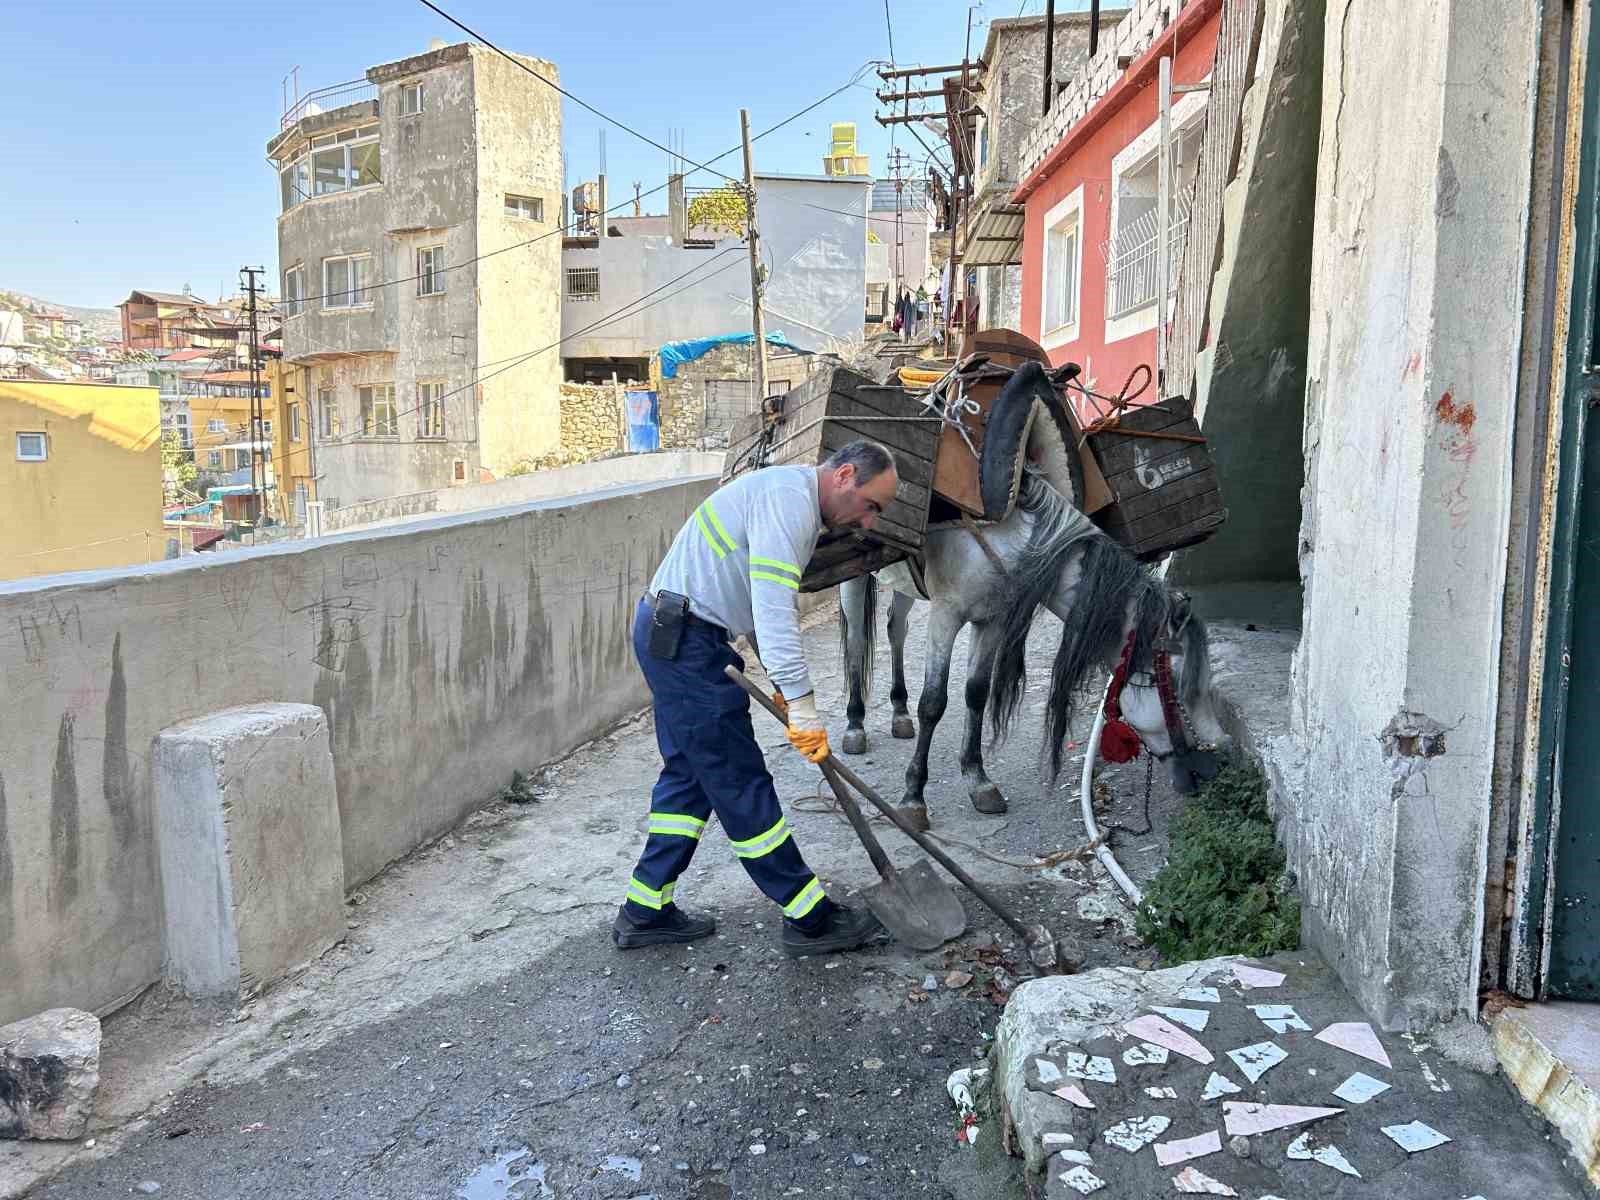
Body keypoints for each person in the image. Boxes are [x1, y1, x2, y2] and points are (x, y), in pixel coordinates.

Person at [615, 440, 901, 957]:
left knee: (690, 775)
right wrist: (804, 702)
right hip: (685, 642)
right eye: (871, 504)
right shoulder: (789, 503)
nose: (869, 522)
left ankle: (645, 909)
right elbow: (773, 610)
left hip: (676, 633)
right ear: (844, 476)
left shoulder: (787, 498)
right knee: (738, 779)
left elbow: (746, 601)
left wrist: (780, 684)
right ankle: (808, 916)